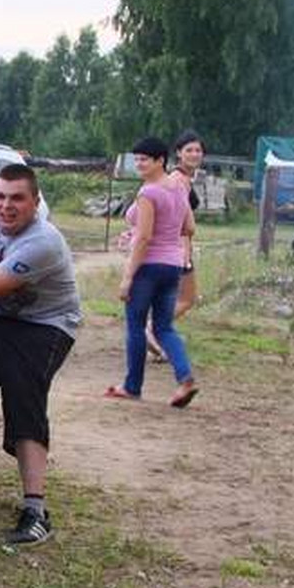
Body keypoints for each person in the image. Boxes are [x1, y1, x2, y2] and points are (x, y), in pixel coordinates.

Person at [0, 164, 82, 545]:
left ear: (36, 202)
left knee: (23, 394)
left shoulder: (43, 242)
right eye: (0, 197)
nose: (6, 207)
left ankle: (36, 511)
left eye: (17, 198)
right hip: (0, 318)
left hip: (47, 324)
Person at [106, 137, 198, 407]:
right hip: (173, 265)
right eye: (137, 160)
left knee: (135, 325)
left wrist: (127, 278)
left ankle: (132, 386)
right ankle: (185, 379)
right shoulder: (178, 188)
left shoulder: (149, 193)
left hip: (148, 266)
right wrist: (162, 233)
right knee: (164, 327)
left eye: (144, 159)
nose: (139, 165)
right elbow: (189, 227)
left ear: (161, 160)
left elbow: (145, 238)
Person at [147, 130, 204, 360]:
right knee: (187, 298)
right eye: (188, 150)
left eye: (198, 150)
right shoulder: (179, 180)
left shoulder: (182, 178)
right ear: (178, 153)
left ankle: (156, 333)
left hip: (173, 246)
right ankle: (151, 329)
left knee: (175, 297)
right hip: (177, 247)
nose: (194, 154)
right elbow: (179, 220)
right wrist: (184, 252)